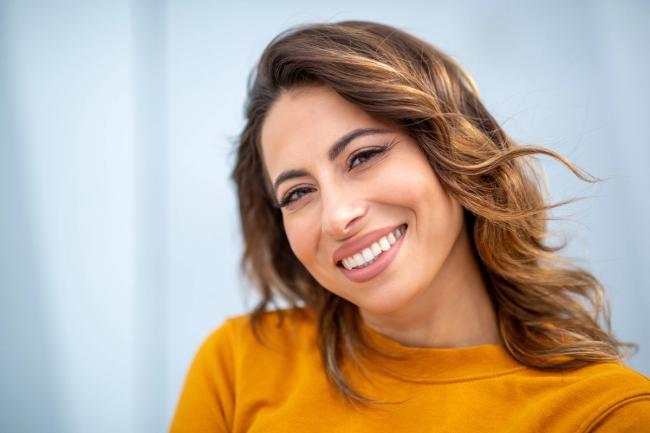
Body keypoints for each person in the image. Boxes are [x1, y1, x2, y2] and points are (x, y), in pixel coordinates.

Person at [169, 21, 650, 432]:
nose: (337, 216)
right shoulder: (239, 363)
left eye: (364, 156)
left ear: (452, 150)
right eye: (298, 193)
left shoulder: (608, 413)